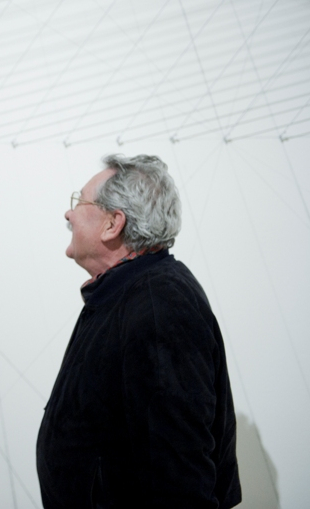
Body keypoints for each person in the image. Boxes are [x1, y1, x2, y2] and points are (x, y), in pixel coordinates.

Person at [36, 155, 241, 508]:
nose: (69, 214)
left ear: (113, 224)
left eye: (79, 202)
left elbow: (180, 475)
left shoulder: (159, 305)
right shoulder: (129, 294)